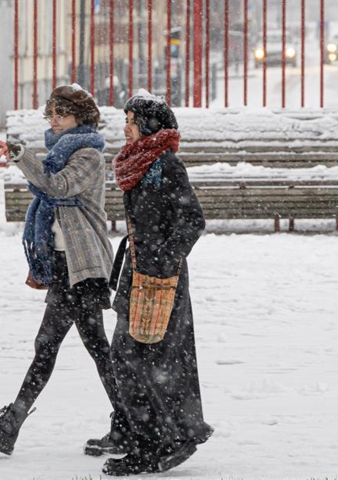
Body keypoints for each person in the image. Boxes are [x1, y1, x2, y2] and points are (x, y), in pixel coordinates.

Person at [0, 84, 129, 457]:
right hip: (63, 264)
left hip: (83, 266)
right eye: (50, 114)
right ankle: (130, 423)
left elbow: (56, 187)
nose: (54, 120)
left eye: (61, 114)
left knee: (58, 346)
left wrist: (21, 156)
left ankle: (12, 424)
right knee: (86, 347)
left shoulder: (87, 155)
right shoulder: (57, 153)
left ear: (80, 118)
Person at [100, 90, 214, 476]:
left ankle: (159, 441)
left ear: (148, 126)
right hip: (137, 273)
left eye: (131, 121)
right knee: (130, 357)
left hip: (161, 279)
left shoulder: (165, 165)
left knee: (147, 359)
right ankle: (151, 436)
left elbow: (192, 221)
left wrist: (163, 261)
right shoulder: (139, 162)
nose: (125, 128)